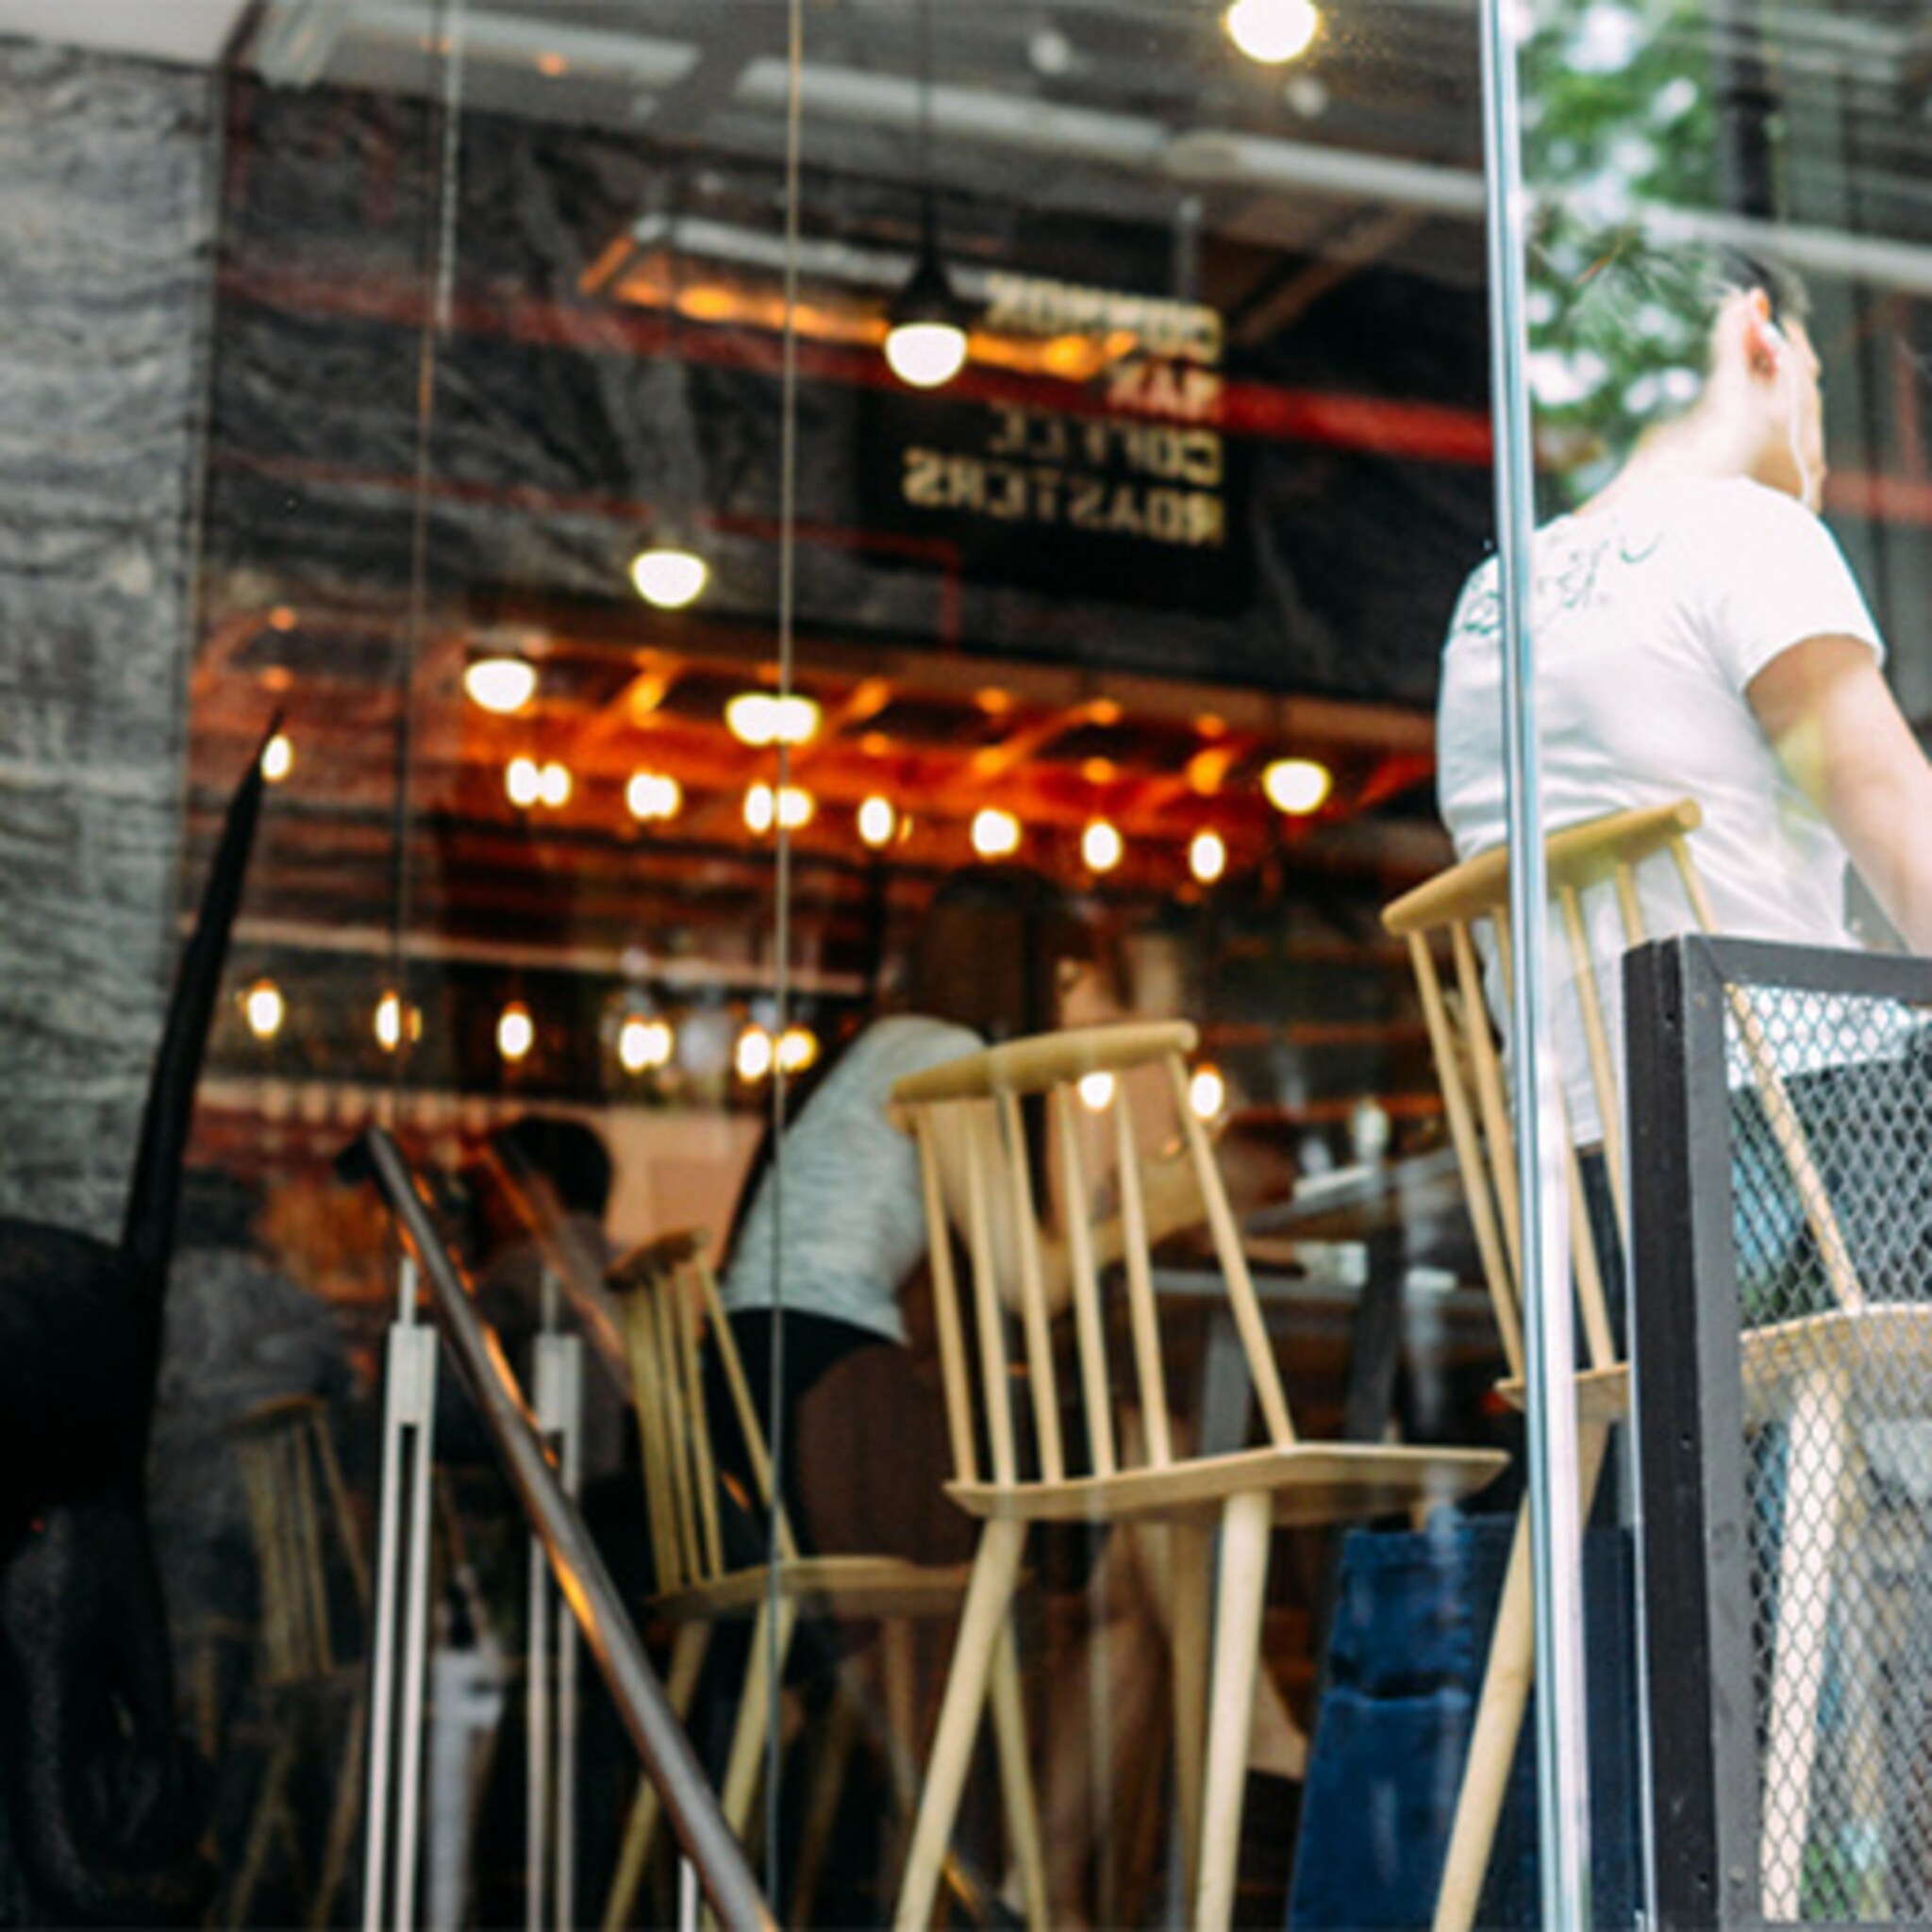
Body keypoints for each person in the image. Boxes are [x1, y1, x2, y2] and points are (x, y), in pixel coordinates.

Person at [1438, 241, 1932, 1161]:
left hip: (1578, 1192)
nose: (1816, 426)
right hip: (1786, 1152)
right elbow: (1915, 851)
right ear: (1759, 338)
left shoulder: (1485, 604)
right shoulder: (1745, 533)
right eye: (1814, 381)